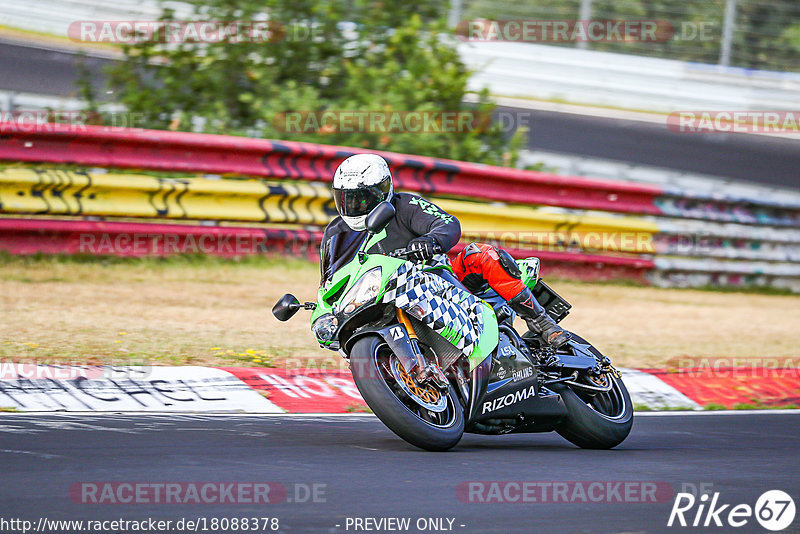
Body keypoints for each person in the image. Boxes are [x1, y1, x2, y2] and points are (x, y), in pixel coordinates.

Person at [320, 153, 569, 348]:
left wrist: (430, 241)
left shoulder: (405, 205)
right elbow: (329, 281)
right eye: (346, 199)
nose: (353, 206)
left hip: (440, 281)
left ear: (383, 191)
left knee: (480, 255)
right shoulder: (335, 235)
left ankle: (542, 323)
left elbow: (448, 224)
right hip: (380, 300)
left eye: (362, 198)